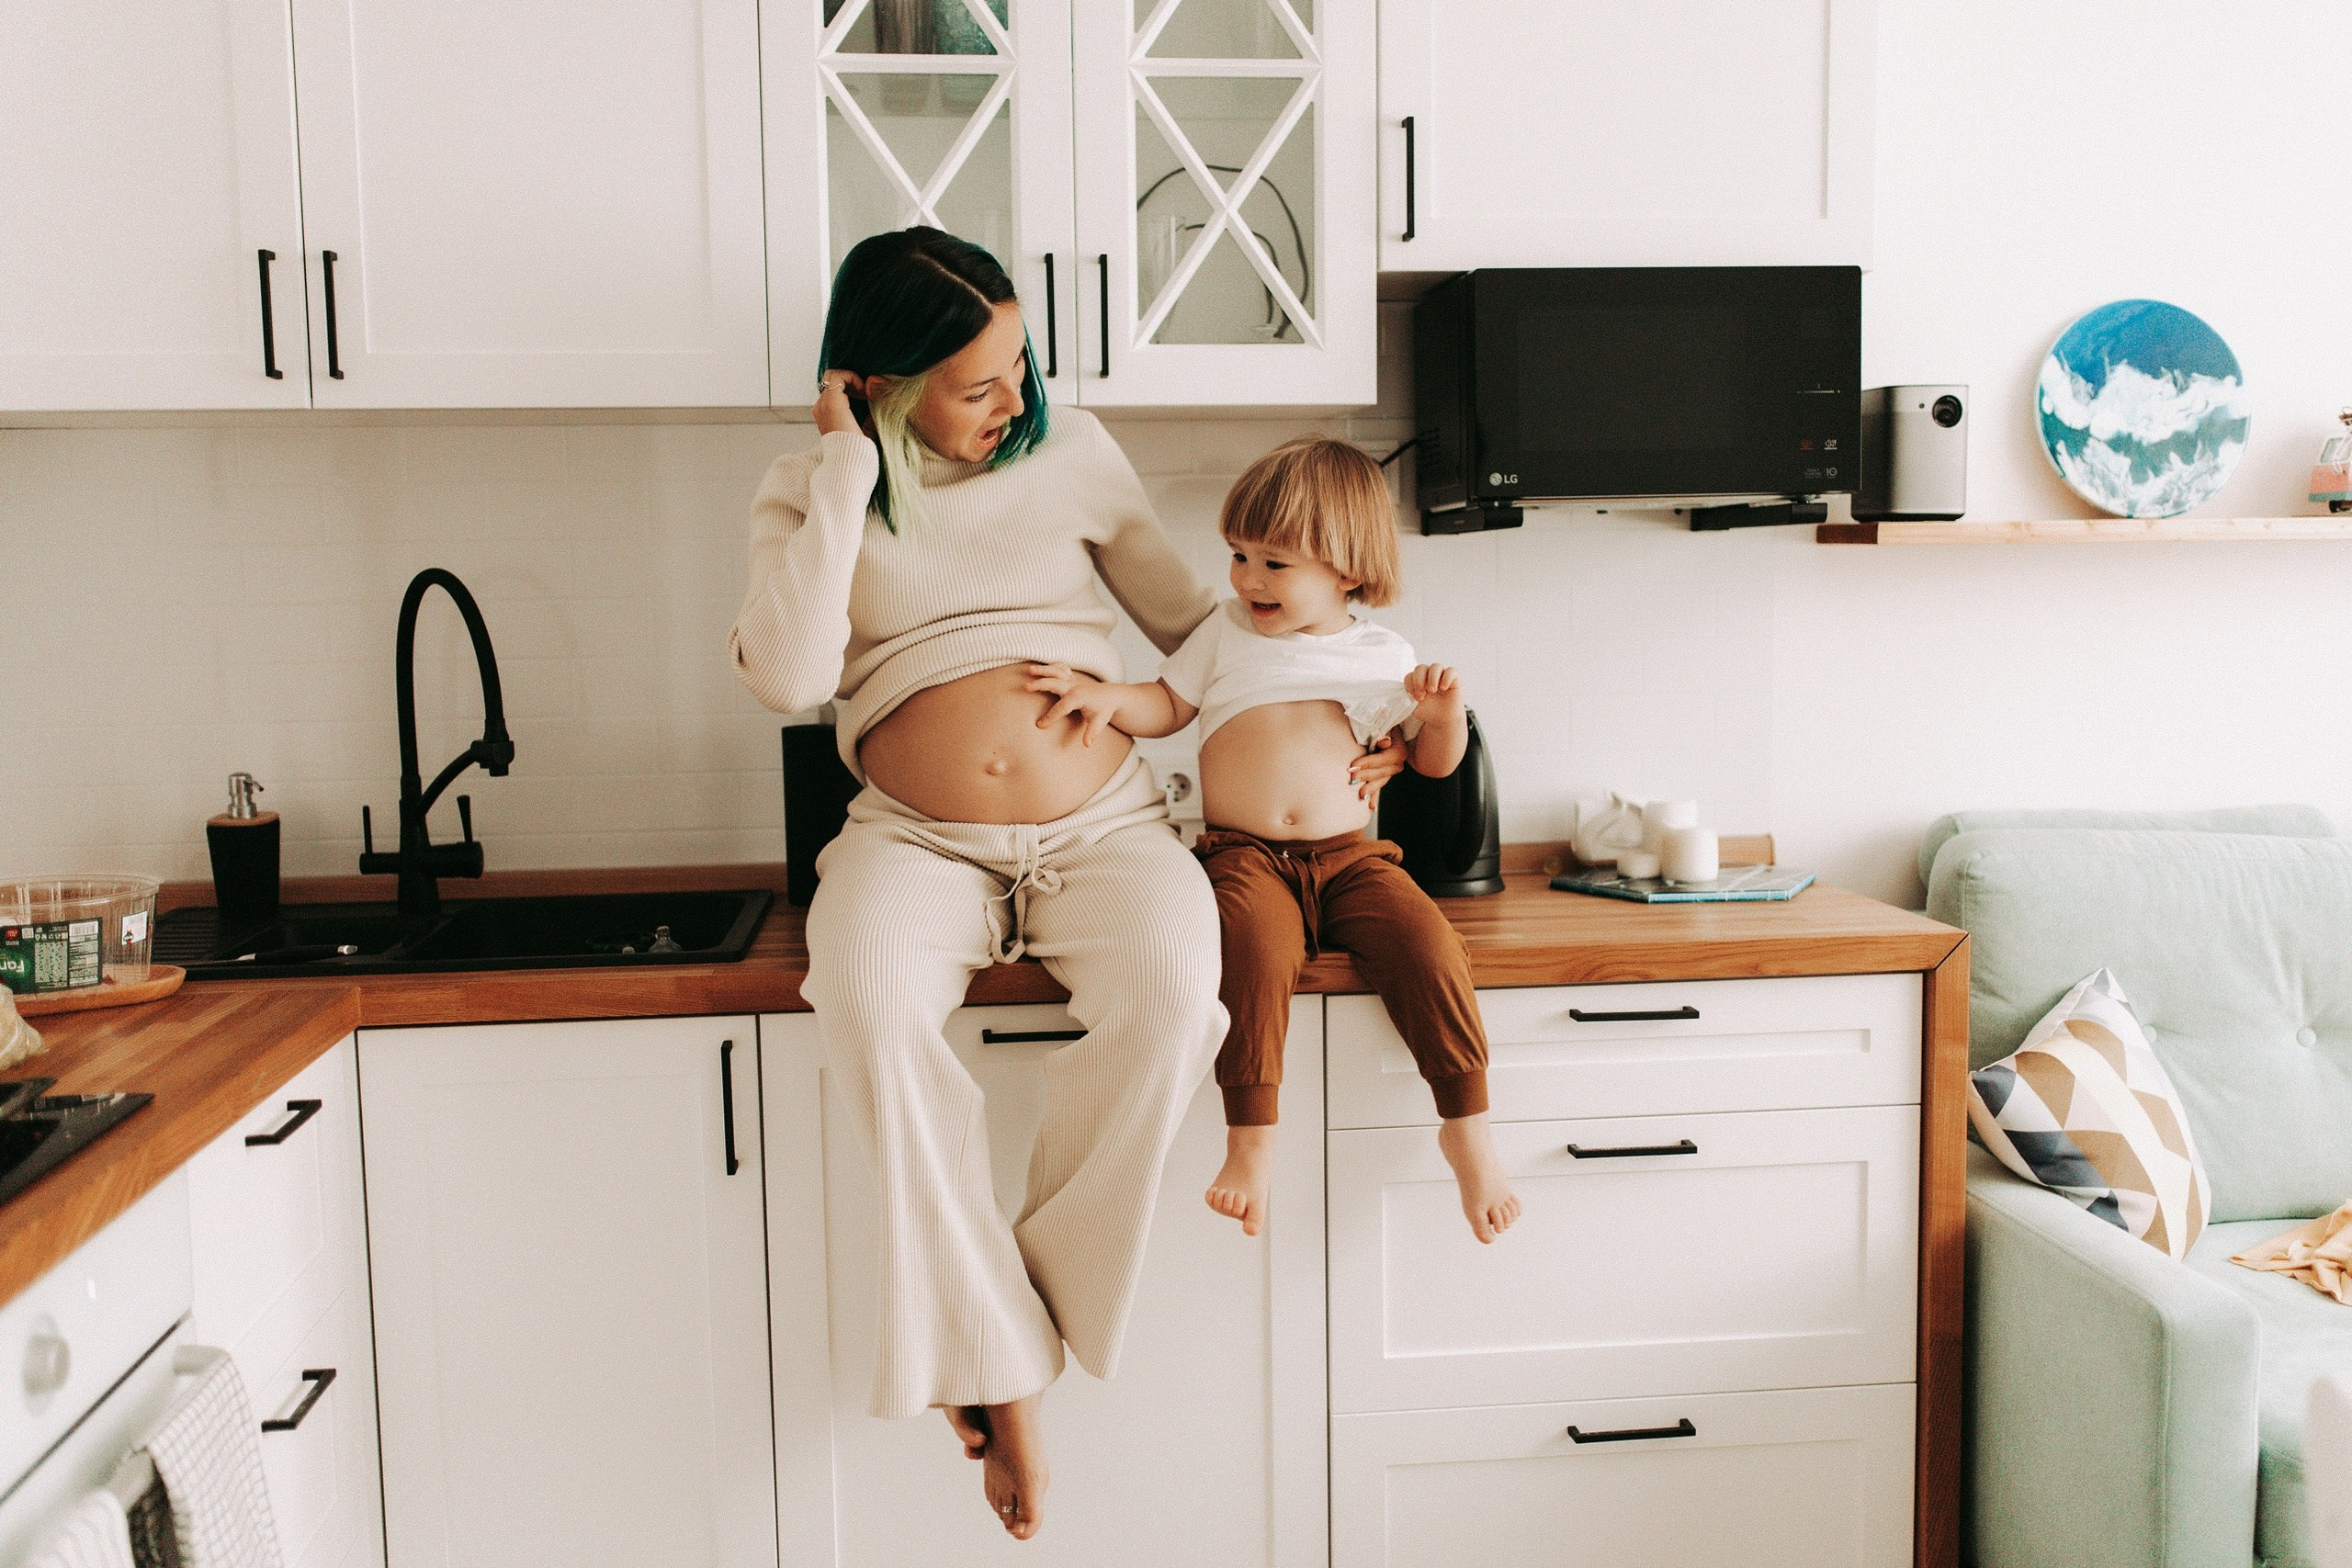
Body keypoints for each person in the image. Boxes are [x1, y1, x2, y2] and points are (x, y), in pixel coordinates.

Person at [729, 231, 1399, 1540]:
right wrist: (848, 474)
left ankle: (1001, 1332)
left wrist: (1356, 699)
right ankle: (1005, 1365)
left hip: (1106, 820)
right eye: (979, 385)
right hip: (912, 839)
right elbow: (789, 676)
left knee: (1171, 989)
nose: (1013, 402)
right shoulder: (808, 489)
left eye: (1020, 368)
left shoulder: (1074, 451)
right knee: (862, 995)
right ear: (877, 380)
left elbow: (1199, 627)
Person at [1024, 435, 1524, 1245]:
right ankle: (1251, 1143)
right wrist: (1105, 695)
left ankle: (1466, 1127)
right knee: (1252, 952)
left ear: (1348, 570)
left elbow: (1433, 767)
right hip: (1243, 854)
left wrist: (1439, 715)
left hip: (1350, 857)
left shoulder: (1382, 655)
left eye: (1275, 563)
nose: (1248, 578)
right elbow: (1167, 703)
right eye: (1239, 554)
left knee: (1431, 944)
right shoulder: (1225, 633)